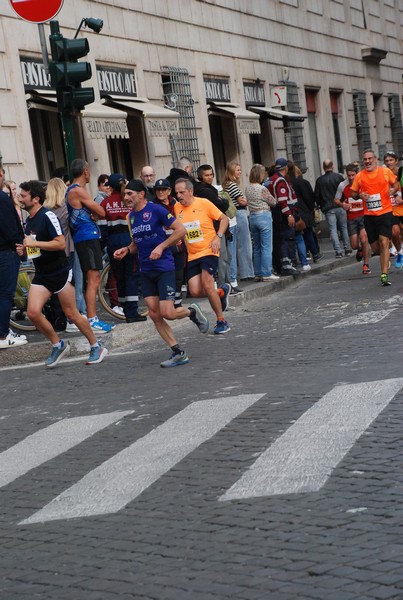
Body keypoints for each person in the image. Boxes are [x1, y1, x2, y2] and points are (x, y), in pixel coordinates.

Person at [114, 179, 210, 368]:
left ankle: (191, 312)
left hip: (164, 268)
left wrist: (161, 246)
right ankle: (178, 352)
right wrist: (127, 249)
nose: (125, 198)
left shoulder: (156, 210)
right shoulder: (131, 217)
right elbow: (137, 243)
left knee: (168, 313)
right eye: (125, 194)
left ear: (141, 194)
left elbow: (180, 230)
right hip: (146, 270)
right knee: (154, 314)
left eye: (129, 194)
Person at [16, 180, 107, 367]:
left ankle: (96, 346)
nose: (19, 198)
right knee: (33, 312)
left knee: (72, 315)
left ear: (35, 199)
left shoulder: (47, 215)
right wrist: (24, 251)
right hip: (42, 274)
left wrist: (35, 244)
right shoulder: (29, 220)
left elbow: (60, 243)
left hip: (60, 272)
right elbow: (35, 249)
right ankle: (58, 344)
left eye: (23, 196)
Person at [174, 178, 231, 334]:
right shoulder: (176, 207)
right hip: (192, 254)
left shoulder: (203, 203)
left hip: (209, 249)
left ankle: (221, 321)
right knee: (195, 291)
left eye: (182, 192)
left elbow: (224, 219)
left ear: (190, 191)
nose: (179, 196)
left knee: (207, 284)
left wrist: (218, 237)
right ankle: (221, 292)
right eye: (177, 192)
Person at [65, 159, 114, 333]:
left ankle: (91, 317)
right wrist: (95, 212)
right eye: (89, 171)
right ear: (85, 171)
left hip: (84, 237)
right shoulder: (78, 191)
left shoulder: (73, 190)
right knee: (93, 279)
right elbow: (102, 212)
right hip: (86, 237)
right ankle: (92, 319)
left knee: (92, 279)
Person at [99, 173, 146, 323]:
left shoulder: (105, 203)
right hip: (129, 240)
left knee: (118, 277)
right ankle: (132, 312)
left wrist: (106, 244)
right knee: (131, 275)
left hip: (113, 242)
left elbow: (102, 228)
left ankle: (125, 309)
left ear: (110, 187)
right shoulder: (130, 201)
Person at [350, 149, 399, 286]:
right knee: (377, 248)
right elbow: (353, 193)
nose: (367, 161)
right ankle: (385, 257)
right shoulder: (360, 176)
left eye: (370, 159)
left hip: (385, 213)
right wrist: (359, 196)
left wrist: (393, 190)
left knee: (384, 242)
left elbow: (395, 183)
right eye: (365, 159)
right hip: (369, 216)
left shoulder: (385, 172)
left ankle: (384, 274)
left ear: (375, 159)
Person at [44, 178, 87, 331]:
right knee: (76, 282)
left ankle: (62, 318)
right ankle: (78, 315)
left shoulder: (45, 210)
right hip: (69, 247)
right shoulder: (66, 208)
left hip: (52, 251)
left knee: (60, 286)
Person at [0, 165, 27, 348]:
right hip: (6, 251)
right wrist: (19, 244)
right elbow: (9, 227)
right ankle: (2, 336)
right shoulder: (2, 198)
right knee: (6, 294)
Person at [194, 164, 231, 288]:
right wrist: (223, 201)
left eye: (211, 174)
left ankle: (226, 284)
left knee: (225, 259)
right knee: (222, 259)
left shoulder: (209, 189)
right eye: (206, 175)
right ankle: (223, 286)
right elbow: (223, 205)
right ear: (200, 176)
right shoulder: (204, 190)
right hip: (214, 228)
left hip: (219, 226)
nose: (210, 177)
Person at [153, 177, 186, 308]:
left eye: (163, 189)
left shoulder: (177, 204)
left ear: (169, 191)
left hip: (179, 246)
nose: (160, 192)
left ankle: (178, 304)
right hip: (163, 247)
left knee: (179, 275)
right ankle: (167, 303)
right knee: (165, 275)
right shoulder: (153, 207)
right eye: (158, 190)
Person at [222, 161, 254, 291]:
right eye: (237, 170)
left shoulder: (226, 185)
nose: (240, 172)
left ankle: (238, 274)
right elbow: (242, 200)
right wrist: (248, 201)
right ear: (231, 172)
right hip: (239, 214)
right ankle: (246, 273)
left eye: (240, 170)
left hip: (234, 215)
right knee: (243, 245)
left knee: (235, 246)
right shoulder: (233, 185)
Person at [245, 164, 279, 281]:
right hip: (263, 216)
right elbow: (273, 202)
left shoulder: (247, 188)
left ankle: (258, 272)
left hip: (253, 216)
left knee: (257, 246)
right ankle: (266, 272)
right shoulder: (262, 188)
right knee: (266, 246)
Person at [337, 163, 371, 275]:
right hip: (351, 218)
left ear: (357, 174)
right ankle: (360, 249)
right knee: (354, 245)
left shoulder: (363, 182)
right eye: (349, 175)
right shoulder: (342, 185)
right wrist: (343, 205)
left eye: (353, 175)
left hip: (364, 215)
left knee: (364, 239)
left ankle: (366, 265)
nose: (351, 178)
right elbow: (336, 199)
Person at [267, 158, 300, 275]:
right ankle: (286, 265)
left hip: (277, 214)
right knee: (286, 239)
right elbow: (282, 200)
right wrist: (289, 214)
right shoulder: (280, 181)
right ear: (285, 168)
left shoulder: (272, 179)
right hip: (282, 215)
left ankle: (280, 266)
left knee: (279, 239)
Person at [314, 159, 351, 258]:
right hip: (340, 205)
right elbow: (344, 190)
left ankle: (338, 251)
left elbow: (317, 196)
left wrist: (321, 205)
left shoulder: (320, 180)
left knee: (333, 229)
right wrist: (343, 202)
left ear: (323, 167)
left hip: (328, 207)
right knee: (344, 227)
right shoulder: (338, 177)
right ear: (332, 166)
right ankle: (347, 248)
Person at [287, 162, 322, 263]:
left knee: (296, 236)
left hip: (291, 211)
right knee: (307, 233)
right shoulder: (301, 182)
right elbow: (309, 197)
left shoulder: (286, 182)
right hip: (303, 211)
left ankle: (295, 259)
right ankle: (314, 254)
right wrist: (311, 209)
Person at [383, 151, 403, 268]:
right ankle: (399, 252)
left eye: (391, 160)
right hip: (391, 208)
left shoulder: (401, 173)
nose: (389, 163)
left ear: (396, 161)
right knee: (395, 232)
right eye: (386, 161)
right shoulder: (384, 174)